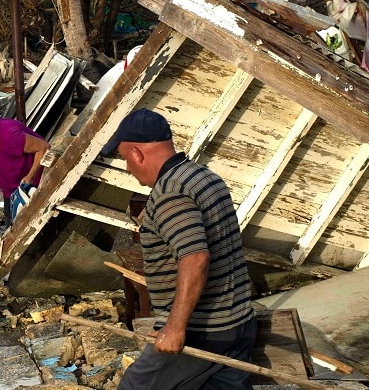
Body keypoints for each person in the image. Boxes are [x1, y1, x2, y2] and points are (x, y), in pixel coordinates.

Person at [102, 108, 256, 390]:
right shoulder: (202, 176)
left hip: (203, 330)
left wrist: (174, 327)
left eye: (125, 159)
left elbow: (195, 258)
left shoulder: (170, 192)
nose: (127, 167)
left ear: (137, 153)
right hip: (236, 323)